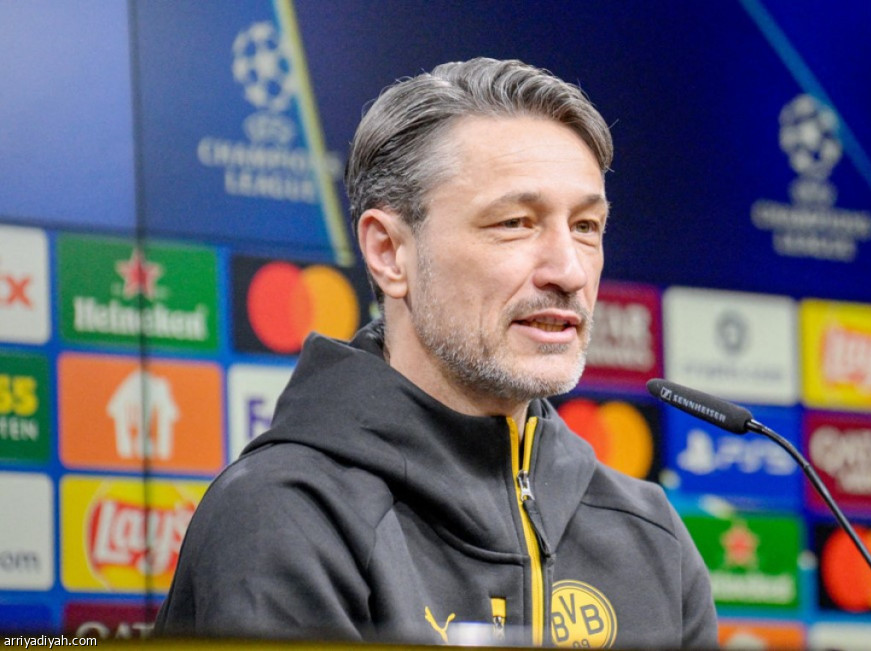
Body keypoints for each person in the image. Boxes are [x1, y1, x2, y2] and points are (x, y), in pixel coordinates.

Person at [156, 57, 717, 648]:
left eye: (585, 226)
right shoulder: (282, 514)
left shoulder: (653, 537)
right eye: (515, 222)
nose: (569, 271)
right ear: (389, 252)